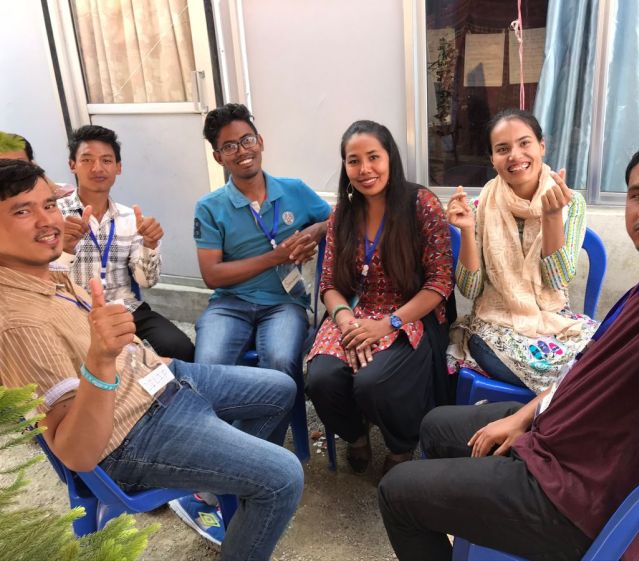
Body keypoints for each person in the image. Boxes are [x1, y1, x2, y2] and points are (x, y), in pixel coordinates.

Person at [378, 115, 639, 561]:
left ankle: (466, 512)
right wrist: (527, 415)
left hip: (579, 494)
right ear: (491, 158)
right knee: (436, 424)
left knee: (397, 491)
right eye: (637, 195)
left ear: (542, 146)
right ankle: (468, 517)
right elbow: (580, 362)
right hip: (560, 428)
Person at [0, 159, 304, 561]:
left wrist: (137, 354)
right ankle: (238, 485)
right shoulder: (17, 323)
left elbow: (141, 283)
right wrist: (101, 360)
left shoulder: (47, 271)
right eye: (22, 211)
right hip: (132, 433)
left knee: (280, 387)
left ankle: (216, 488)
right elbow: (77, 453)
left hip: (154, 379)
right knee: (283, 476)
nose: (47, 221)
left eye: (49, 205)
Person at [306, 120, 453, 475]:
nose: (365, 169)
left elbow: (440, 283)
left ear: (390, 158)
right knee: (321, 379)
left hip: (408, 314)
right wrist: (345, 320)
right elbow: (329, 283)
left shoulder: (421, 204)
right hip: (354, 312)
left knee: (374, 382)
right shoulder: (342, 214)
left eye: (374, 157)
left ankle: (402, 445)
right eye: (354, 160)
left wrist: (387, 324)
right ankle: (356, 435)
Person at [193, 103, 330, 443]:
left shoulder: (294, 190)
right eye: (229, 146)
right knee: (208, 366)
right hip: (230, 303)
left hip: (284, 303)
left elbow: (339, 217)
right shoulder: (209, 207)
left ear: (260, 141)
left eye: (247, 140)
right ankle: (221, 446)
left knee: (281, 362)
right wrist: (275, 257)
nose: (242, 151)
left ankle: (261, 453)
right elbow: (212, 276)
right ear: (218, 157)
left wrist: (318, 229)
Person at [446, 109, 596, 393]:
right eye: (503, 149)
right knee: (582, 378)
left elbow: (557, 280)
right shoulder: (479, 207)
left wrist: (552, 217)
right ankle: (560, 409)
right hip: (495, 326)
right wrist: (466, 230)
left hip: (555, 321)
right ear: (492, 159)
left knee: (609, 355)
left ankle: (555, 409)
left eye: (524, 143)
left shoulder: (570, 202)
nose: (515, 155)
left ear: (542, 146)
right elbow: (470, 289)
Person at [54, 125, 194, 361]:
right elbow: (45, 280)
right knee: (85, 359)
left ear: (118, 167)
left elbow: (146, 281)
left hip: (124, 308)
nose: (97, 168)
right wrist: (65, 248)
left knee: (179, 348)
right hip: (73, 311)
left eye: (106, 160)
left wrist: (150, 244)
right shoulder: (54, 215)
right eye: (87, 160)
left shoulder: (129, 218)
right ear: (72, 165)